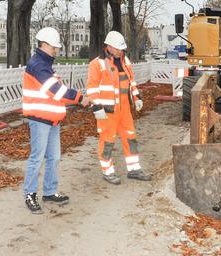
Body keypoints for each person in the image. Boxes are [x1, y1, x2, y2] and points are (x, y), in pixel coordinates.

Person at [22, 27, 89, 214]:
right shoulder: (37, 65)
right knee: (37, 158)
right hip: (40, 120)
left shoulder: (45, 65)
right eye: (54, 47)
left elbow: (56, 92)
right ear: (43, 45)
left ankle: (50, 191)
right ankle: (30, 194)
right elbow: (57, 92)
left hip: (52, 120)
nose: (56, 50)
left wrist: (75, 97)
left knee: (54, 157)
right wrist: (79, 97)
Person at [86, 31, 151, 185]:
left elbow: (131, 83)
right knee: (107, 140)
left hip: (124, 109)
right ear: (108, 47)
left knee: (130, 138)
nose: (120, 51)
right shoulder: (98, 63)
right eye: (117, 48)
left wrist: (137, 97)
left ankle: (134, 169)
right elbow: (91, 88)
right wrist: (96, 107)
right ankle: (108, 171)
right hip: (107, 110)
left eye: (121, 49)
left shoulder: (125, 61)